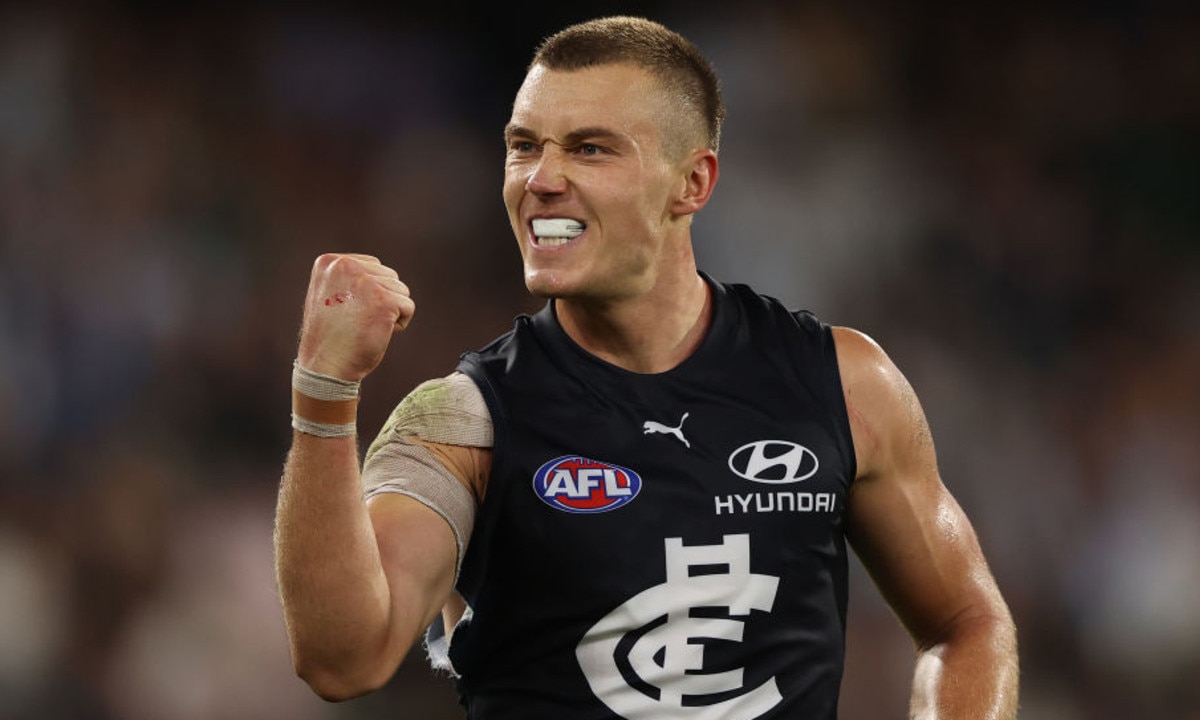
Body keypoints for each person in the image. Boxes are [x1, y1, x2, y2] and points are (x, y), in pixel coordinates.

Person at [274, 15, 1019, 720]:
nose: (542, 178)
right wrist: (324, 393)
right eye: (524, 145)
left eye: (590, 149)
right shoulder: (465, 422)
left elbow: (966, 622)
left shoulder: (844, 383)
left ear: (692, 183)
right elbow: (344, 660)